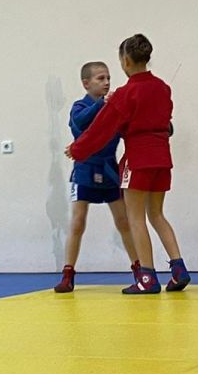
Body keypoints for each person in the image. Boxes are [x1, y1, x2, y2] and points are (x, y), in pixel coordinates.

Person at [67, 35, 190, 295]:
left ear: (125, 61)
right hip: (162, 158)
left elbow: (101, 128)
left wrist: (78, 150)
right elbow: (166, 122)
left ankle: (147, 277)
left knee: (135, 218)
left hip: (138, 159)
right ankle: (179, 269)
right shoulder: (163, 88)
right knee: (157, 215)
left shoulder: (126, 93)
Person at [53, 61, 140, 293]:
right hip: (83, 171)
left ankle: (139, 269)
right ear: (86, 83)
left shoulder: (113, 108)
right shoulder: (79, 106)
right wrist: (102, 104)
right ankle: (68, 272)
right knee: (78, 222)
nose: (107, 82)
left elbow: (129, 127)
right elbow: (81, 124)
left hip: (109, 170)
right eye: (101, 78)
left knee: (124, 221)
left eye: (108, 78)